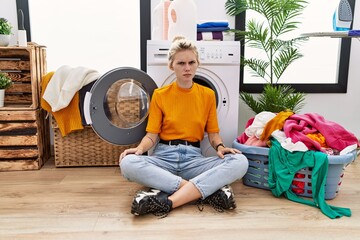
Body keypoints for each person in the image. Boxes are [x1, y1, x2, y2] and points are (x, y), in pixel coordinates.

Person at [119, 36, 248, 217]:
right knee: (127, 163)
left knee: (240, 161)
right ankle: (201, 192)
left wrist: (221, 147)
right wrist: (139, 150)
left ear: (197, 64)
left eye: (191, 62)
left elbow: (213, 135)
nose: (187, 68)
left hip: (194, 160)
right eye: (181, 63)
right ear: (171, 65)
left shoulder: (208, 95)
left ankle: (169, 201)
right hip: (164, 158)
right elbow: (151, 135)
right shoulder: (160, 95)